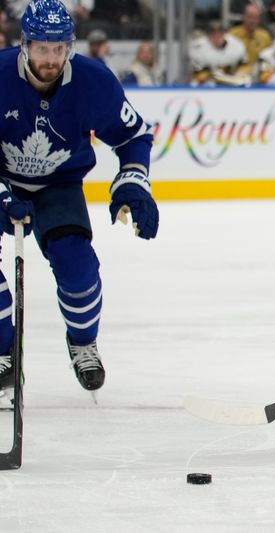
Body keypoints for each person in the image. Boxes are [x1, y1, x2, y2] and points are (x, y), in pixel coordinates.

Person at [0, 0, 158, 395]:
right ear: (25, 45)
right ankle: (3, 350)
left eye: (59, 49)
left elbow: (134, 136)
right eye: (41, 48)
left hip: (59, 185)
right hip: (1, 180)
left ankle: (83, 342)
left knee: (79, 269)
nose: (51, 59)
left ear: (70, 46)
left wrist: (133, 181)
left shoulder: (92, 80)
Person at [228, 3, 273, 68]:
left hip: (258, 74)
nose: (252, 21)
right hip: (236, 74)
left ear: (259, 19)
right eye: (250, 17)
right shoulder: (232, 35)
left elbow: (270, 59)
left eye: (256, 18)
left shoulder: (265, 36)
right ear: (244, 17)